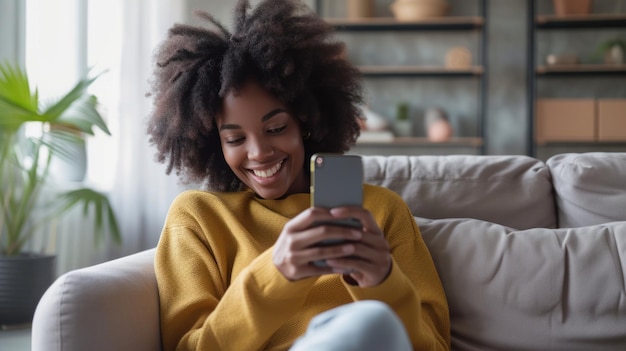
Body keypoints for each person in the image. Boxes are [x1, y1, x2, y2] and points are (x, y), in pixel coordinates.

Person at [146, 0, 450, 350]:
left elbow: (435, 346)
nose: (259, 153)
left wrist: (384, 282)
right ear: (215, 144)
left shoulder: (382, 211)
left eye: (276, 128)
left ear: (305, 122)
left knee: (373, 322)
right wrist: (276, 275)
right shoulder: (199, 217)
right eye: (235, 138)